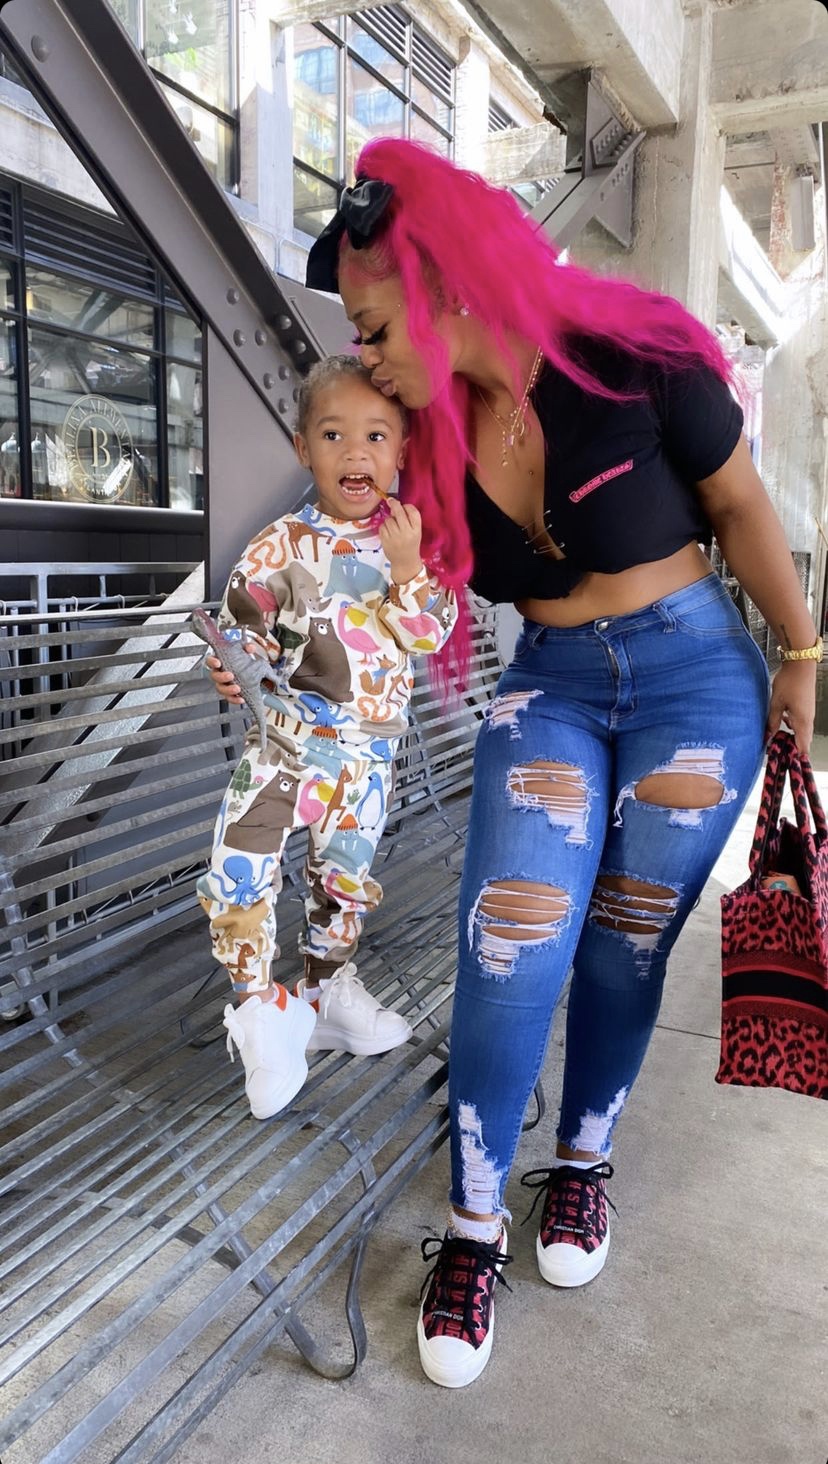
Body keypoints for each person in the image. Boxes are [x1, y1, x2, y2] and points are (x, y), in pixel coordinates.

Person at [213, 141, 818, 1388]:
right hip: (549, 687)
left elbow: (742, 508)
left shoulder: (633, 356)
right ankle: (475, 1221)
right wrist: (276, 645)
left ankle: (582, 1163)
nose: (368, 354)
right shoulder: (426, 439)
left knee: (628, 940)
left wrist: (804, 656)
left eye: (377, 326)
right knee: (511, 942)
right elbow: (353, 545)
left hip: (694, 678)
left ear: (447, 285)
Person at [198, 354, 457, 1121]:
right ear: (302, 447)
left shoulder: (413, 541)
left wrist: (406, 569)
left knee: (342, 883)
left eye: (376, 435)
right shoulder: (278, 545)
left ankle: (323, 995)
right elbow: (244, 635)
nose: (355, 452)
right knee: (237, 865)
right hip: (283, 745)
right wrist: (231, 667)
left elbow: (429, 633)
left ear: (402, 449)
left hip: (367, 757)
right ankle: (260, 1010)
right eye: (334, 434)